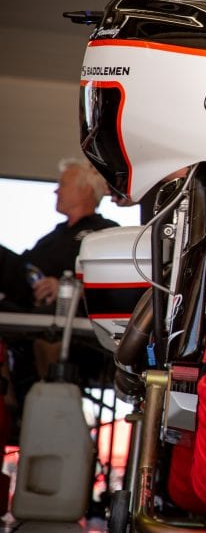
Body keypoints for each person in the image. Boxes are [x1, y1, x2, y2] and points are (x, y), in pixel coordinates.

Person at [0, 158, 119, 400]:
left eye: (62, 184)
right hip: (32, 309)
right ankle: (8, 396)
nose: (56, 190)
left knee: (49, 322)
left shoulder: (105, 231)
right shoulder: (52, 237)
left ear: (84, 189)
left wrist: (68, 287)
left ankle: (46, 398)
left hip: (78, 327)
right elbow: (23, 270)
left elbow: (112, 287)